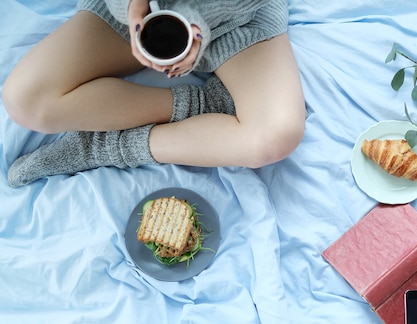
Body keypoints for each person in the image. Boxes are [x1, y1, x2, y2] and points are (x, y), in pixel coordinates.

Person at [2, 0, 305, 187]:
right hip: (135, 15)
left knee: (276, 136)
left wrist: (195, 22)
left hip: (236, 16)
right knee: (26, 100)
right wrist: (133, 7)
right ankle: (202, 104)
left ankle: (104, 148)